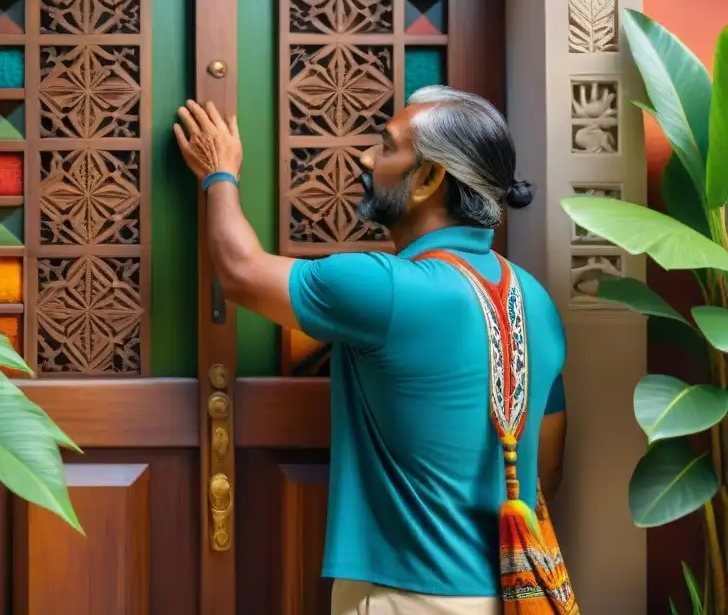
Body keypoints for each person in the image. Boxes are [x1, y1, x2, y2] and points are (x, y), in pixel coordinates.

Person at [174, 86, 568, 615]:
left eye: (386, 147)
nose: (365, 157)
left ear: (429, 179)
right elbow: (548, 463)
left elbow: (241, 273)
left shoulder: (385, 287)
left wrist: (219, 174)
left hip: (405, 598)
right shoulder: (536, 300)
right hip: (511, 594)